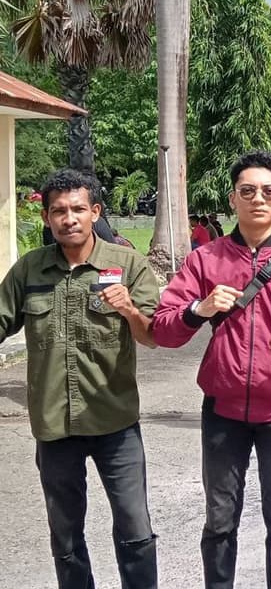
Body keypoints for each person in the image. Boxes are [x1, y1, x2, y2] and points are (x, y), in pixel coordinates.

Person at [152, 150, 271, 589]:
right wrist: (198, 309)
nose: (258, 199)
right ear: (233, 198)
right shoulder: (206, 259)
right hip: (224, 411)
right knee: (220, 521)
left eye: (268, 192)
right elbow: (163, 329)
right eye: (247, 191)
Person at [0, 168, 160, 588]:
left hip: (116, 424)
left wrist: (128, 309)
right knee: (66, 536)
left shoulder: (128, 265)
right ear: (47, 217)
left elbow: (152, 337)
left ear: (95, 212)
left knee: (135, 529)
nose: (68, 218)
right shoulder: (29, 270)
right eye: (58, 211)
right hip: (55, 427)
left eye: (77, 209)